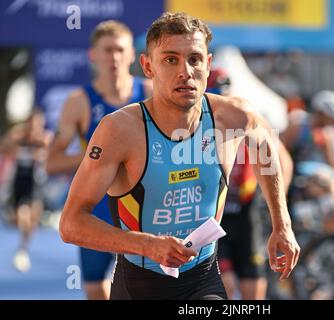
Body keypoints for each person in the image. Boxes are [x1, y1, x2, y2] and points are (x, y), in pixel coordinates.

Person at [59, 12, 300, 300]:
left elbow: (267, 149)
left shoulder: (234, 116)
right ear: (148, 66)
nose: (185, 71)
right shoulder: (119, 130)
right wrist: (148, 245)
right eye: (170, 59)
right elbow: (70, 223)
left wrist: (281, 224)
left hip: (202, 282)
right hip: (138, 286)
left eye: (194, 59)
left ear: (208, 65)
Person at [46, 20, 152, 299]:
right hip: (98, 208)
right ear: (93, 55)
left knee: (146, 288)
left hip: (142, 207)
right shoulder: (79, 102)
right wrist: (102, 153)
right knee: (95, 288)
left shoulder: (151, 94)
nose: (114, 57)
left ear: (132, 56)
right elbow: (52, 162)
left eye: (120, 50)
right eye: (107, 50)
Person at [207, 68, 293, 300]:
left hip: (247, 211)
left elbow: (282, 159)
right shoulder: (197, 117)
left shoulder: (243, 114)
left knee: (255, 291)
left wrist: (274, 200)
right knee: (225, 285)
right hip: (216, 215)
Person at [0, 109, 52, 272]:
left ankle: (23, 248)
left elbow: (51, 150)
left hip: (36, 182)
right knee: (22, 215)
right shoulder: (18, 138)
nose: (34, 127)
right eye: (31, 123)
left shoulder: (45, 138)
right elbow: (4, 147)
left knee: (33, 220)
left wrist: (41, 149)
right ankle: (21, 249)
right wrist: (16, 133)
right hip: (20, 181)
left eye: (38, 123)